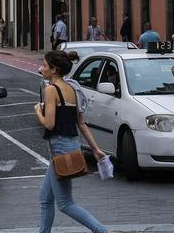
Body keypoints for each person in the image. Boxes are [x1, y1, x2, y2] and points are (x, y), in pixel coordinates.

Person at [34, 51, 117, 233]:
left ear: (54, 70)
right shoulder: (72, 88)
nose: (42, 69)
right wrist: (95, 149)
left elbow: (49, 124)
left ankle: (103, 231)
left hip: (60, 149)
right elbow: (81, 123)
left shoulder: (50, 90)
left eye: (45, 66)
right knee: (45, 198)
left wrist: (38, 113)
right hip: (71, 145)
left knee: (65, 203)